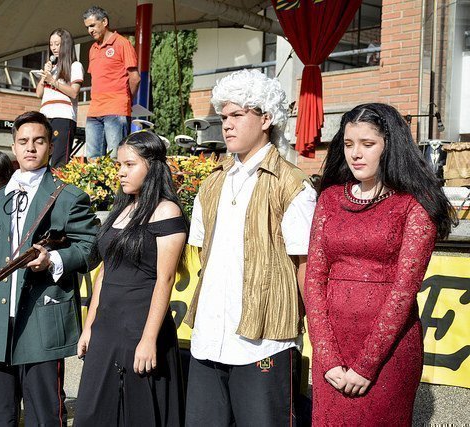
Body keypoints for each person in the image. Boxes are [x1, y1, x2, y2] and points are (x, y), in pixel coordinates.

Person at [304, 103, 457, 426]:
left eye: (367, 144)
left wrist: (366, 365)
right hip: (331, 351)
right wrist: (327, 358)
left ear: (390, 146)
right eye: (348, 144)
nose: (355, 154)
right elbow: (315, 280)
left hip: (388, 355)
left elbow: (404, 292)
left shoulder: (414, 205)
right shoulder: (330, 198)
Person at [183, 69, 317, 426]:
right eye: (224, 116)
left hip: (266, 341)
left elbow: (306, 265)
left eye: (238, 115)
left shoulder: (292, 184)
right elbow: (202, 254)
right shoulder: (211, 183)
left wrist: (318, 336)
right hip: (209, 338)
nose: (226, 124)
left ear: (266, 118)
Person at [0, 111, 98, 426]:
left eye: (38, 141)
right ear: (13, 148)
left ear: (50, 147)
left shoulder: (69, 197)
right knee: (0, 414)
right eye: (23, 142)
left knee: (45, 414)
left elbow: (91, 247)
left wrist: (52, 260)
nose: (31, 148)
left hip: (41, 318)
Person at [74, 131, 187, 426]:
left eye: (129, 164)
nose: (121, 172)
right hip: (106, 328)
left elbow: (165, 280)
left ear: (152, 166)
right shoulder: (120, 209)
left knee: (138, 413)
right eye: (119, 165)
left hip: (140, 327)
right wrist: (89, 327)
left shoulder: (167, 211)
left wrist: (149, 339)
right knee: (90, 413)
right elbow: (104, 272)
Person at [83, 5, 140, 159]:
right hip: (94, 111)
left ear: (105, 22)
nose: (90, 30)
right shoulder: (93, 49)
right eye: (88, 27)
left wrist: (126, 101)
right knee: (93, 160)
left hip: (116, 109)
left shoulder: (122, 43)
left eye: (93, 25)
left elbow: (134, 78)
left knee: (116, 158)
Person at [36, 28, 84, 168]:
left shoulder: (75, 66)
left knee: (59, 160)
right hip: (45, 115)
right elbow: (39, 93)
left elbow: (74, 93)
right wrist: (45, 75)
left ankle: (58, 189)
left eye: (57, 44)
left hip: (63, 116)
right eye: (51, 44)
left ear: (66, 44)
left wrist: (53, 81)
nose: (54, 48)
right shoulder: (51, 68)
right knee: (42, 158)